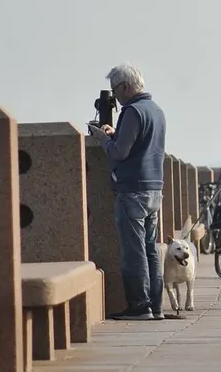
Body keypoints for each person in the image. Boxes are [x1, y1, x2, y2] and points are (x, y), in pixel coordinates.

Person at [87, 62, 167, 321]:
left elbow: (120, 152)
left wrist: (102, 138)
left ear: (124, 86)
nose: (116, 98)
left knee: (134, 251)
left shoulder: (132, 111)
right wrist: (115, 134)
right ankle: (155, 305)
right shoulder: (155, 110)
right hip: (154, 187)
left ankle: (139, 306)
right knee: (151, 249)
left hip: (132, 189)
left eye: (115, 90)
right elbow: (138, 143)